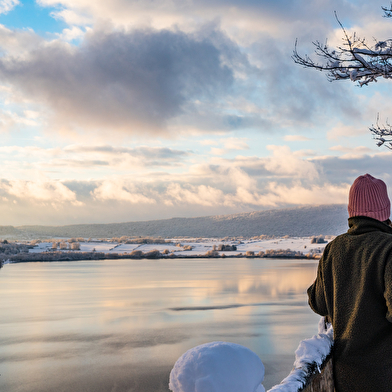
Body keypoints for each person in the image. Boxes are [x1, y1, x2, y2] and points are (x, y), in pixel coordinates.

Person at [307, 173, 392, 392]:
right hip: (385, 376)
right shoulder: (388, 248)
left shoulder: (334, 248)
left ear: (351, 211)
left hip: (346, 376)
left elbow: (319, 303)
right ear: (385, 210)